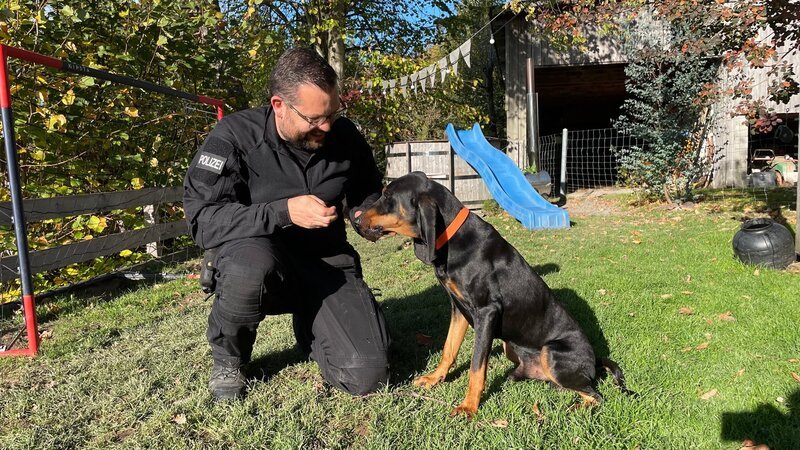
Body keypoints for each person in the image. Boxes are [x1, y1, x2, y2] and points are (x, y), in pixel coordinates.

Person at [183, 47, 390, 401]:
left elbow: (365, 191)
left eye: (332, 113)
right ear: (279, 105)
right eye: (314, 119)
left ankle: (315, 325)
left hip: (325, 262)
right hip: (257, 256)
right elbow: (204, 221)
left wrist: (363, 215)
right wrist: (283, 212)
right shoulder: (234, 136)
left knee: (368, 375)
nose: (326, 126)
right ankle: (229, 359)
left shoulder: (344, 136)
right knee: (251, 266)